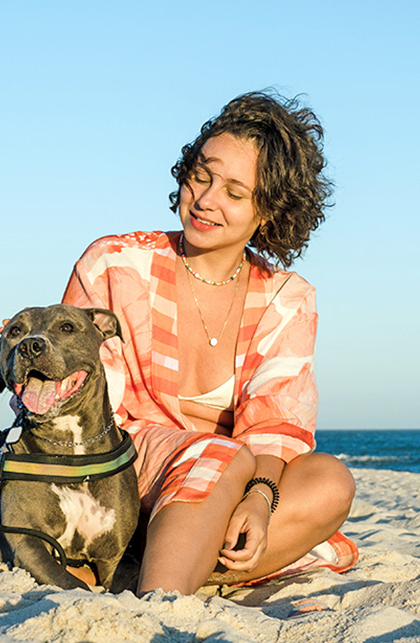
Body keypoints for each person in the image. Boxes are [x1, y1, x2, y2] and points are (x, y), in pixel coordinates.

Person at [62, 91, 356, 596]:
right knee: (215, 455)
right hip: (115, 474)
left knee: (330, 481)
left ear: (268, 213)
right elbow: (82, 411)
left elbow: (275, 424)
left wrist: (260, 501)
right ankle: (163, 604)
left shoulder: (288, 298)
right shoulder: (113, 264)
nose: (205, 199)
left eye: (235, 193)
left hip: (225, 491)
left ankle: (157, 563)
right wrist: (200, 458)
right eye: (201, 175)